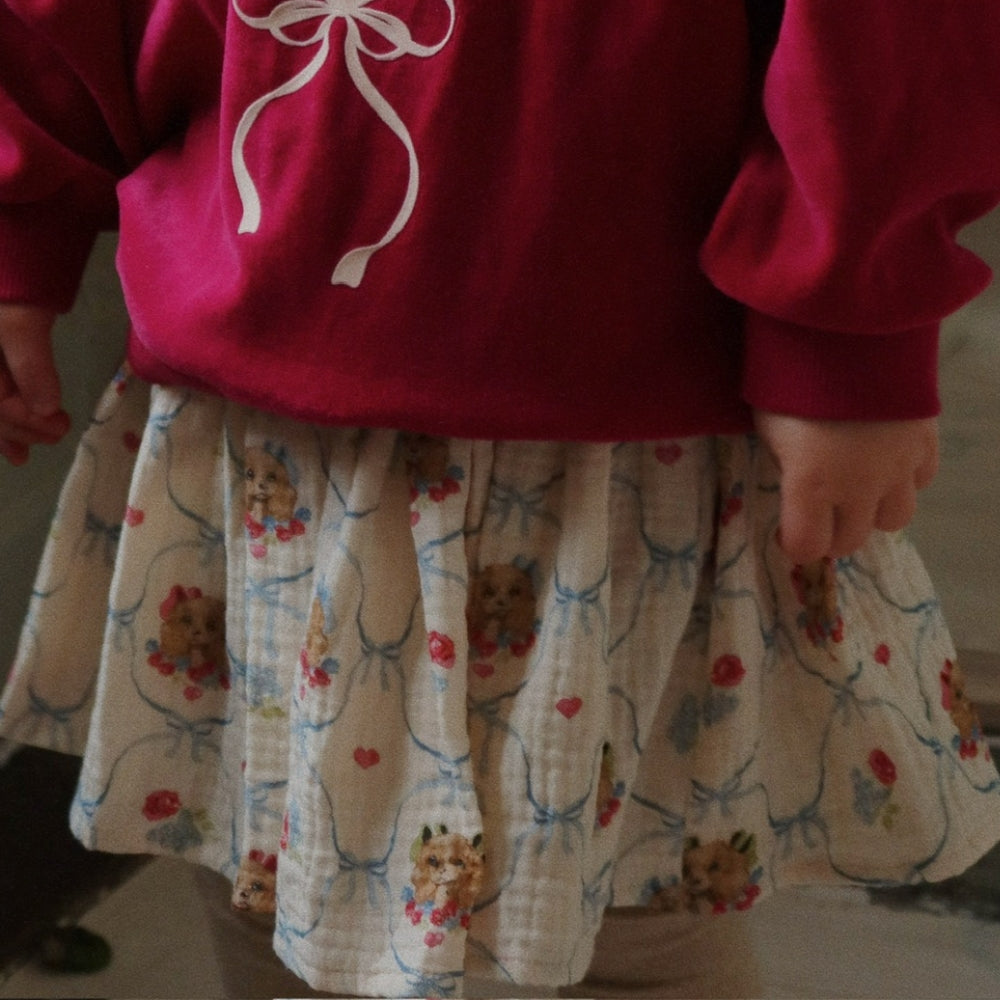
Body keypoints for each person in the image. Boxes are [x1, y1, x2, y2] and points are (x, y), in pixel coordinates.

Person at [2, 1, 1000, 996]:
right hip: (267, 430)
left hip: (610, 430)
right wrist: (20, 224)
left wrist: (847, 317)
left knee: (636, 908)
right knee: (268, 853)